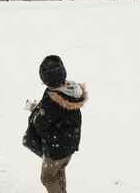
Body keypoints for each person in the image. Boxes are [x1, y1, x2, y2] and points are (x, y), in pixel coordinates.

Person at [28, 55, 87, 193]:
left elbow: (40, 124)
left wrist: (36, 111)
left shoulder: (53, 101)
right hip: (70, 144)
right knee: (59, 171)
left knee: (47, 177)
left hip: (56, 148)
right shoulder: (72, 91)